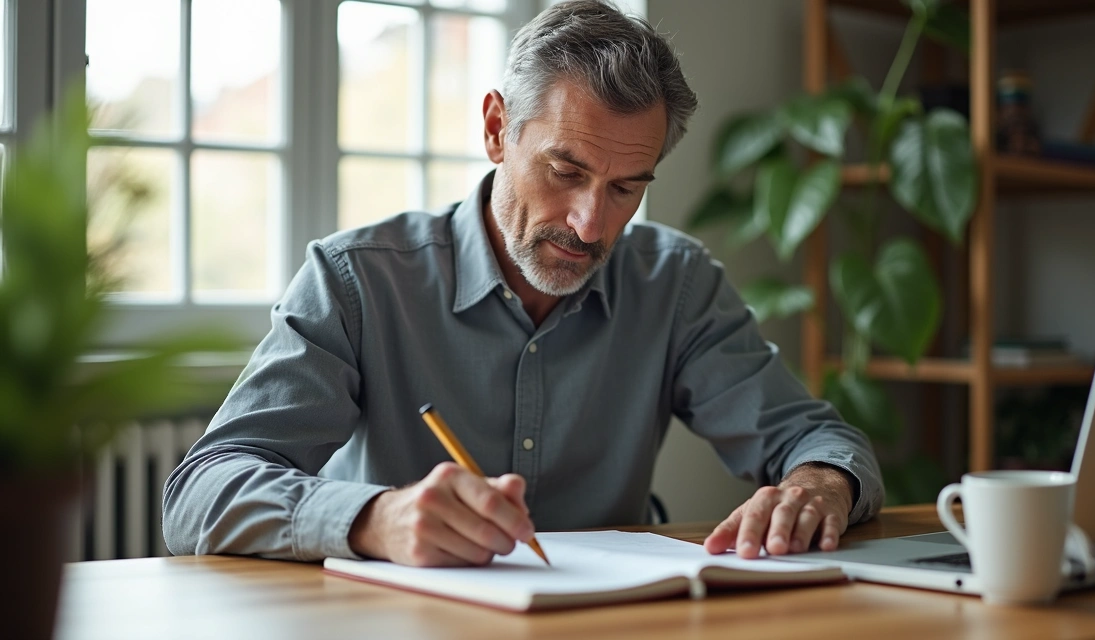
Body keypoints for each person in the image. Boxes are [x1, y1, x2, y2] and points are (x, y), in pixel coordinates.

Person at [163, 0, 884, 568]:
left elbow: (817, 438)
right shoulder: (358, 281)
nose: (591, 225)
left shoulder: (676, 282)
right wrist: (373, 518)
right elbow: (199, 494)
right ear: (496, 128)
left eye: (626, 188)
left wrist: (819, 482)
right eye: (566, 172)